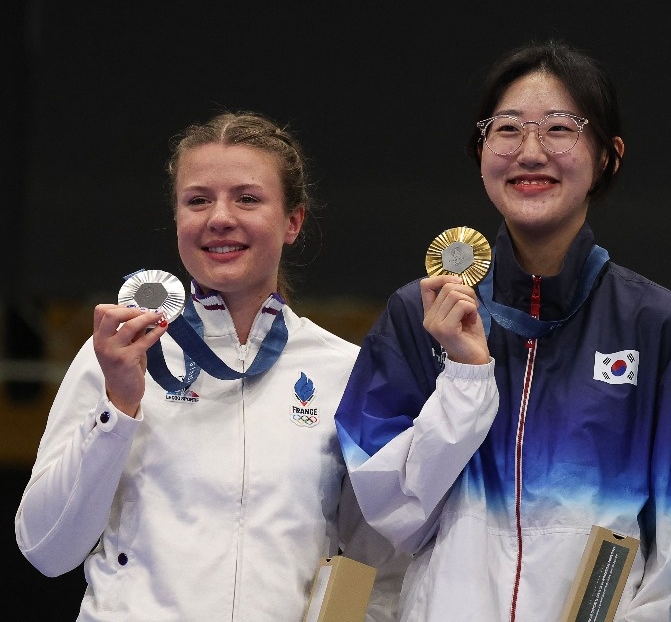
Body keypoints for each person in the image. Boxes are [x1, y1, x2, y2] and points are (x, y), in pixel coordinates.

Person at [334, 40, 671, 621]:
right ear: (482, 149)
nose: (531, 151)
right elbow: (384, 518)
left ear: (608, 156)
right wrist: (465, 377)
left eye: (561, 128)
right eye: (507, 128)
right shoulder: (419, 316)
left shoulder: (657, 325)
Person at [15, 111, 407, 620]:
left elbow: (378, 567)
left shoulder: (345, 371)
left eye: (247, 198)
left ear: (293, 222)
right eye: (197, 200)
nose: (219, 217)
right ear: (178, 220)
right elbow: (46, 549)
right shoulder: (116, 355)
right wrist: (118, 406)